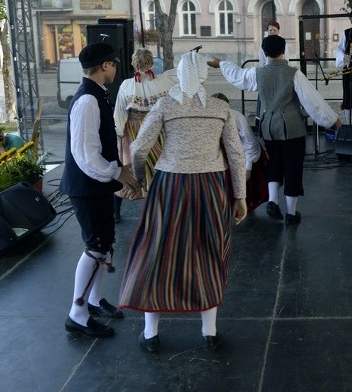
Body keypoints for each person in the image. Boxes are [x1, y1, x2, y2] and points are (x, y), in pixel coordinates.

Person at [119, 50, 248, 353]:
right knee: (209, 251)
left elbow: (138, 148)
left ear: (179, 74)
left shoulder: (165, 105)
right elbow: (236, 154)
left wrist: (139, 178)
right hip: (211, 186)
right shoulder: (220, 108)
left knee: (158, 251)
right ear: (205, 75)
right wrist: (239, 195)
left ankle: (151, 334)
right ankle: (209, 332)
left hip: (170, 186)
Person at [211, 34, 342, 225]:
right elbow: (313, 103)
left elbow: (237, 76)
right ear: (284, 51)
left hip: (268, 126)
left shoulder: (257, 73)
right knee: (293, 166)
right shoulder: (294, 74)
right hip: (292, 128)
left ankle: (273, 201)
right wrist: (334, 122)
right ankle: (291, 213)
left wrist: (221, 63)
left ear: (264, 52)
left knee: (275, 163)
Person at [61, 42, 138, 339]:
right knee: (95, 248)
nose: (115, 69)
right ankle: (77, 314)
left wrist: (114, 174)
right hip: (87, 188)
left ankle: (92, 301)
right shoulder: (87, 101)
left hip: (95, 185)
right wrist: (118, 172)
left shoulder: (95, 95)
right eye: (114, 64)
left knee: (103, 245)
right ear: (105, 66)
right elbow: (85, 154)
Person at [112, 47, 175, 223]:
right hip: (157, 130)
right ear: (151, 63)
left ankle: (115, 211)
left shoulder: (127, 85)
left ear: (134, 63)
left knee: (129, 168)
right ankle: (161, 211)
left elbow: (119, 113)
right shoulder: (164, 82)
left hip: (134, 131)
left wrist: (118, 133)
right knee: (158, 167)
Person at [212, 92, 268, 212]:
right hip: (226, 156)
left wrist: (248, 167)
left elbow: (249, 142)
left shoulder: (237, 118)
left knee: (248, 187)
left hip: (244, 153)